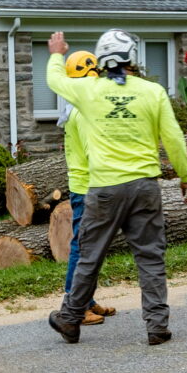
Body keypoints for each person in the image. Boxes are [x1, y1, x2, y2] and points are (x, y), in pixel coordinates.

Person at [45, 28, 187, 345]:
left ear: (101, 59)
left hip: (104, 189)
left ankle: (70, 319)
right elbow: (174, 138)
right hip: (144, 187)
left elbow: (55, 82)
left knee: (89, 256)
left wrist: (57, 53)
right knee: (150, 258)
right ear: (133, 58)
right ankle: (157, 326)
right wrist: (184, 175)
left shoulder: (90, 89)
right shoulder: (152, 92)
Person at [56, 52, 114, 326]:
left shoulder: (74, 107)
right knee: (82, 247)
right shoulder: (83, 113)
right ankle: (74, 305)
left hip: (83, 185)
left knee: (90, 247)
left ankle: (86, 300)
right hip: (89, 187)